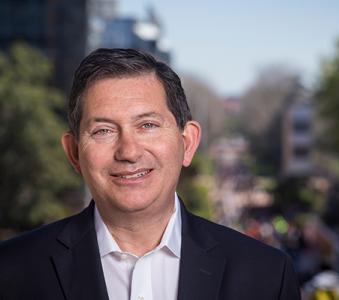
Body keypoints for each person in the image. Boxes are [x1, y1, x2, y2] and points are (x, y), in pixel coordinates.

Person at [0, 48, 301, 300]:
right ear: (74, 152)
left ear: (187, 143)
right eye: (103, 130)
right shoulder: (11, 272)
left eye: (148, 125)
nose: (129, 151)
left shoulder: (267, 277)